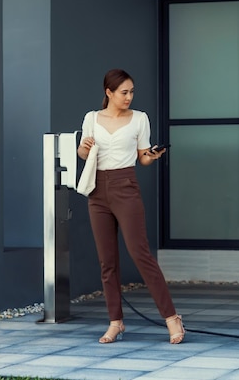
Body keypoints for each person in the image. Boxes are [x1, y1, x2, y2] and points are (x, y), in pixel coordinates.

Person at [77, 68, 185, 344]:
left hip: (126, 186)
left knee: (140, 254)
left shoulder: (139, 119)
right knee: (107, 262)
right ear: (109, 93)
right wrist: (84, 149)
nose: (129, 97)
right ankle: (115, 322)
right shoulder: (92, 118)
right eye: (124, 92)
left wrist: (152, 155)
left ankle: (172, 319)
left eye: (132, 92)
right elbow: (82, 153)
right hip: (97, 191)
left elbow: (142, 158)